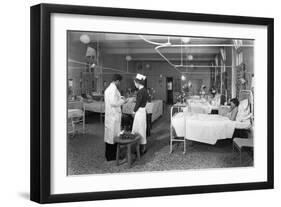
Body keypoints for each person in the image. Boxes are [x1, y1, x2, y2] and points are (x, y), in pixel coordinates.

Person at [104, 74, 128, 161]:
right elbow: (114, 103)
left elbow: (114, 99)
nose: (119, 83)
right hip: (113, 116)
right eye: (119, 82)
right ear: (117, 81)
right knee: (112, 137)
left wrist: (120, 97)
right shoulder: (113, 89)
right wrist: (123, 101)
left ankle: (111, 155)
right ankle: (111, 156)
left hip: (111, 116)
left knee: (110, 136)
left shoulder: (109, 89)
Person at [132, 73, 148, 155]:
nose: (135, 84)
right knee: (141, 129)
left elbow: (138, 103)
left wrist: (134, 111)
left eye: (135, 83)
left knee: (139, 129)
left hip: (140, 112)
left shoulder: (140, 91)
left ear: (138, 83)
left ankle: (142, 147)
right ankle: (140, 146)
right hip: (142, 111)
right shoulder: (145, 90)